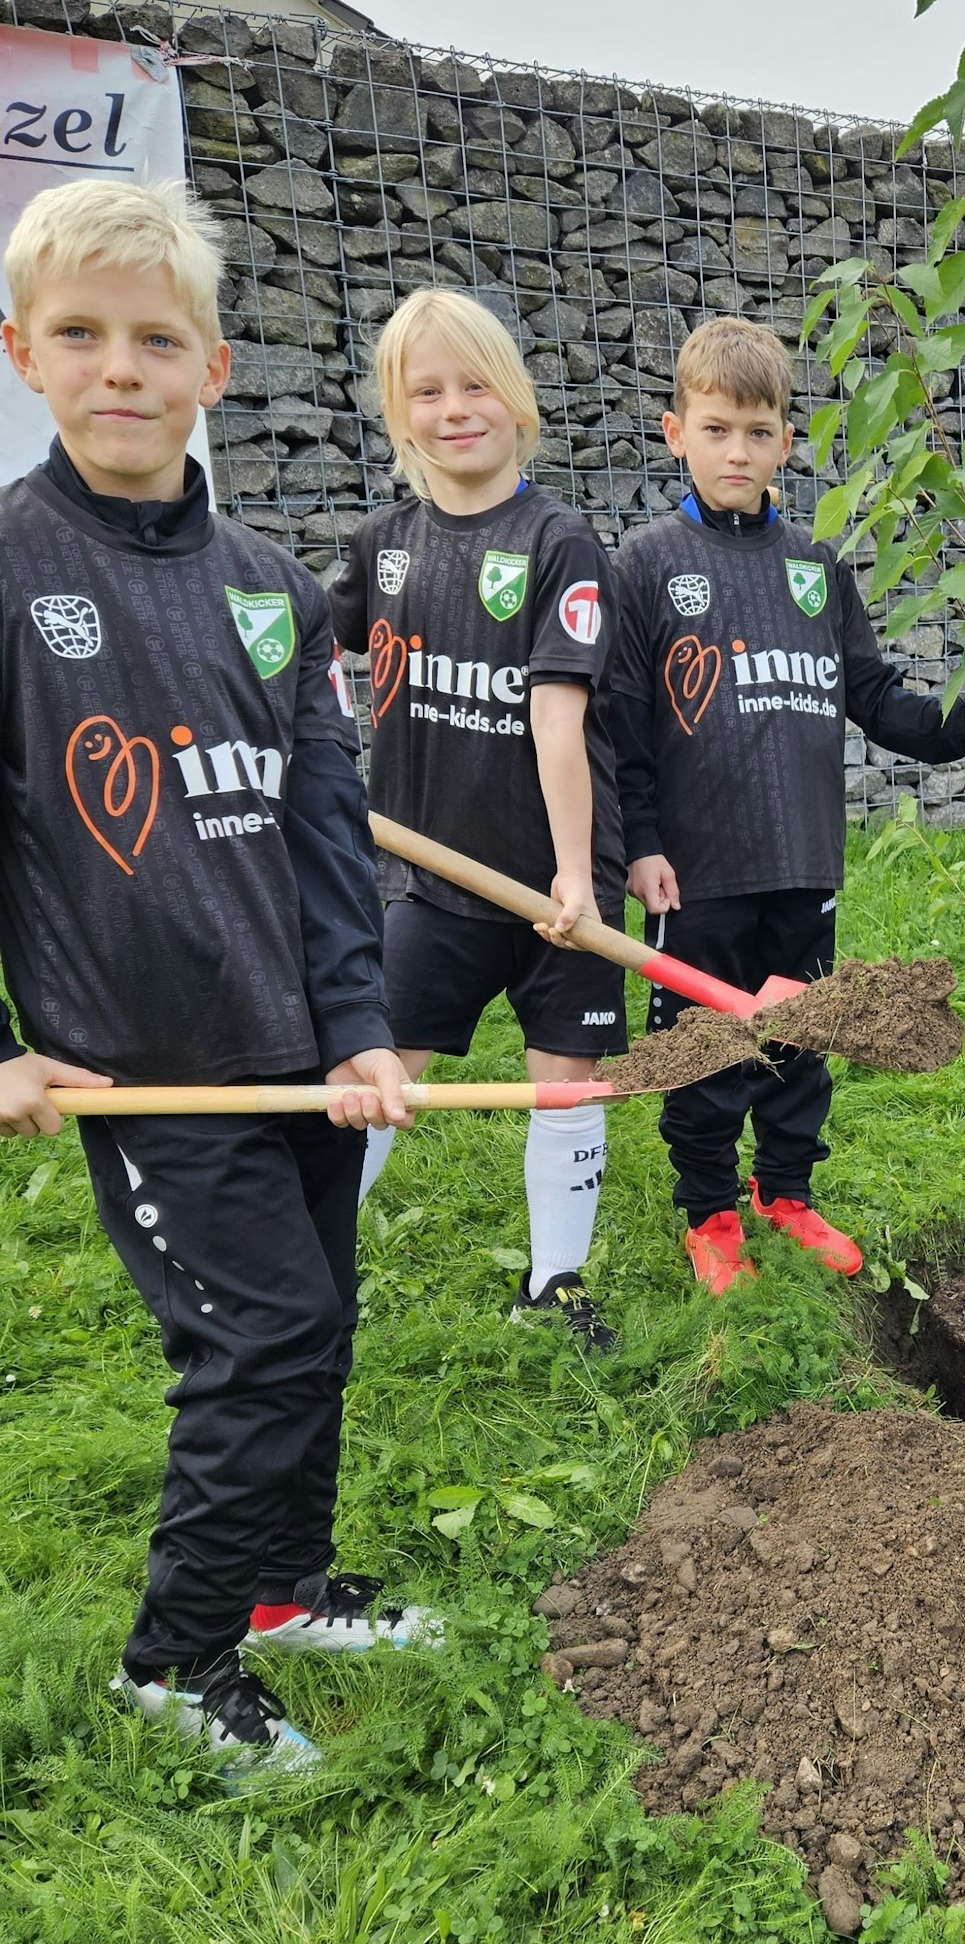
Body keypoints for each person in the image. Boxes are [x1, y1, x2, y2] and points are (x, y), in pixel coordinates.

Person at [0, 177, 431, 1781]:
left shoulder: (272, 583)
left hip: (297, 1051)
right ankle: (175, 1660)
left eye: (156, 339)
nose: (123, 368)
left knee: (318, 1325)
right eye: (83, 337)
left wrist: (364, 1027)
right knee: (259, 1341)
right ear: (26, 355)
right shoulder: (10, 572)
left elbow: (329, 826)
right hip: (149, 1066)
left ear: (214, 369)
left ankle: (278, 1590)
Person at [608, 316, 965, 1291]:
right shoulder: (645, 565)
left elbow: (876, 698)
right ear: (675, 431)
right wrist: (637, 844)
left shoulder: (815, 570)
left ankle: (784, 1190)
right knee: (705, 1047)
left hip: (804, 860)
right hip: (695, 869)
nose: (737, 450)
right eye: (715, 428)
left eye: (757, 432)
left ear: (786, 444)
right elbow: (622, 724)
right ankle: (711, 1210)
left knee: (802, 1036)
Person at [330, 289, 627, 1351]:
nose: (456, 408)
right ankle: (313, 1270)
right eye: (428, 391)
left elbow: (557, 720)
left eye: (475, 384)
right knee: (379, 1070)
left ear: (518, 399)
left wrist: (575, 878)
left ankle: (555, 1281)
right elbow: (309, 653)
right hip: (428, 881)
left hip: (557, 882)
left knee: (566, 1079)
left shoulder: (558, 541)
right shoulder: (380, 544)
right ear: (398, 415)